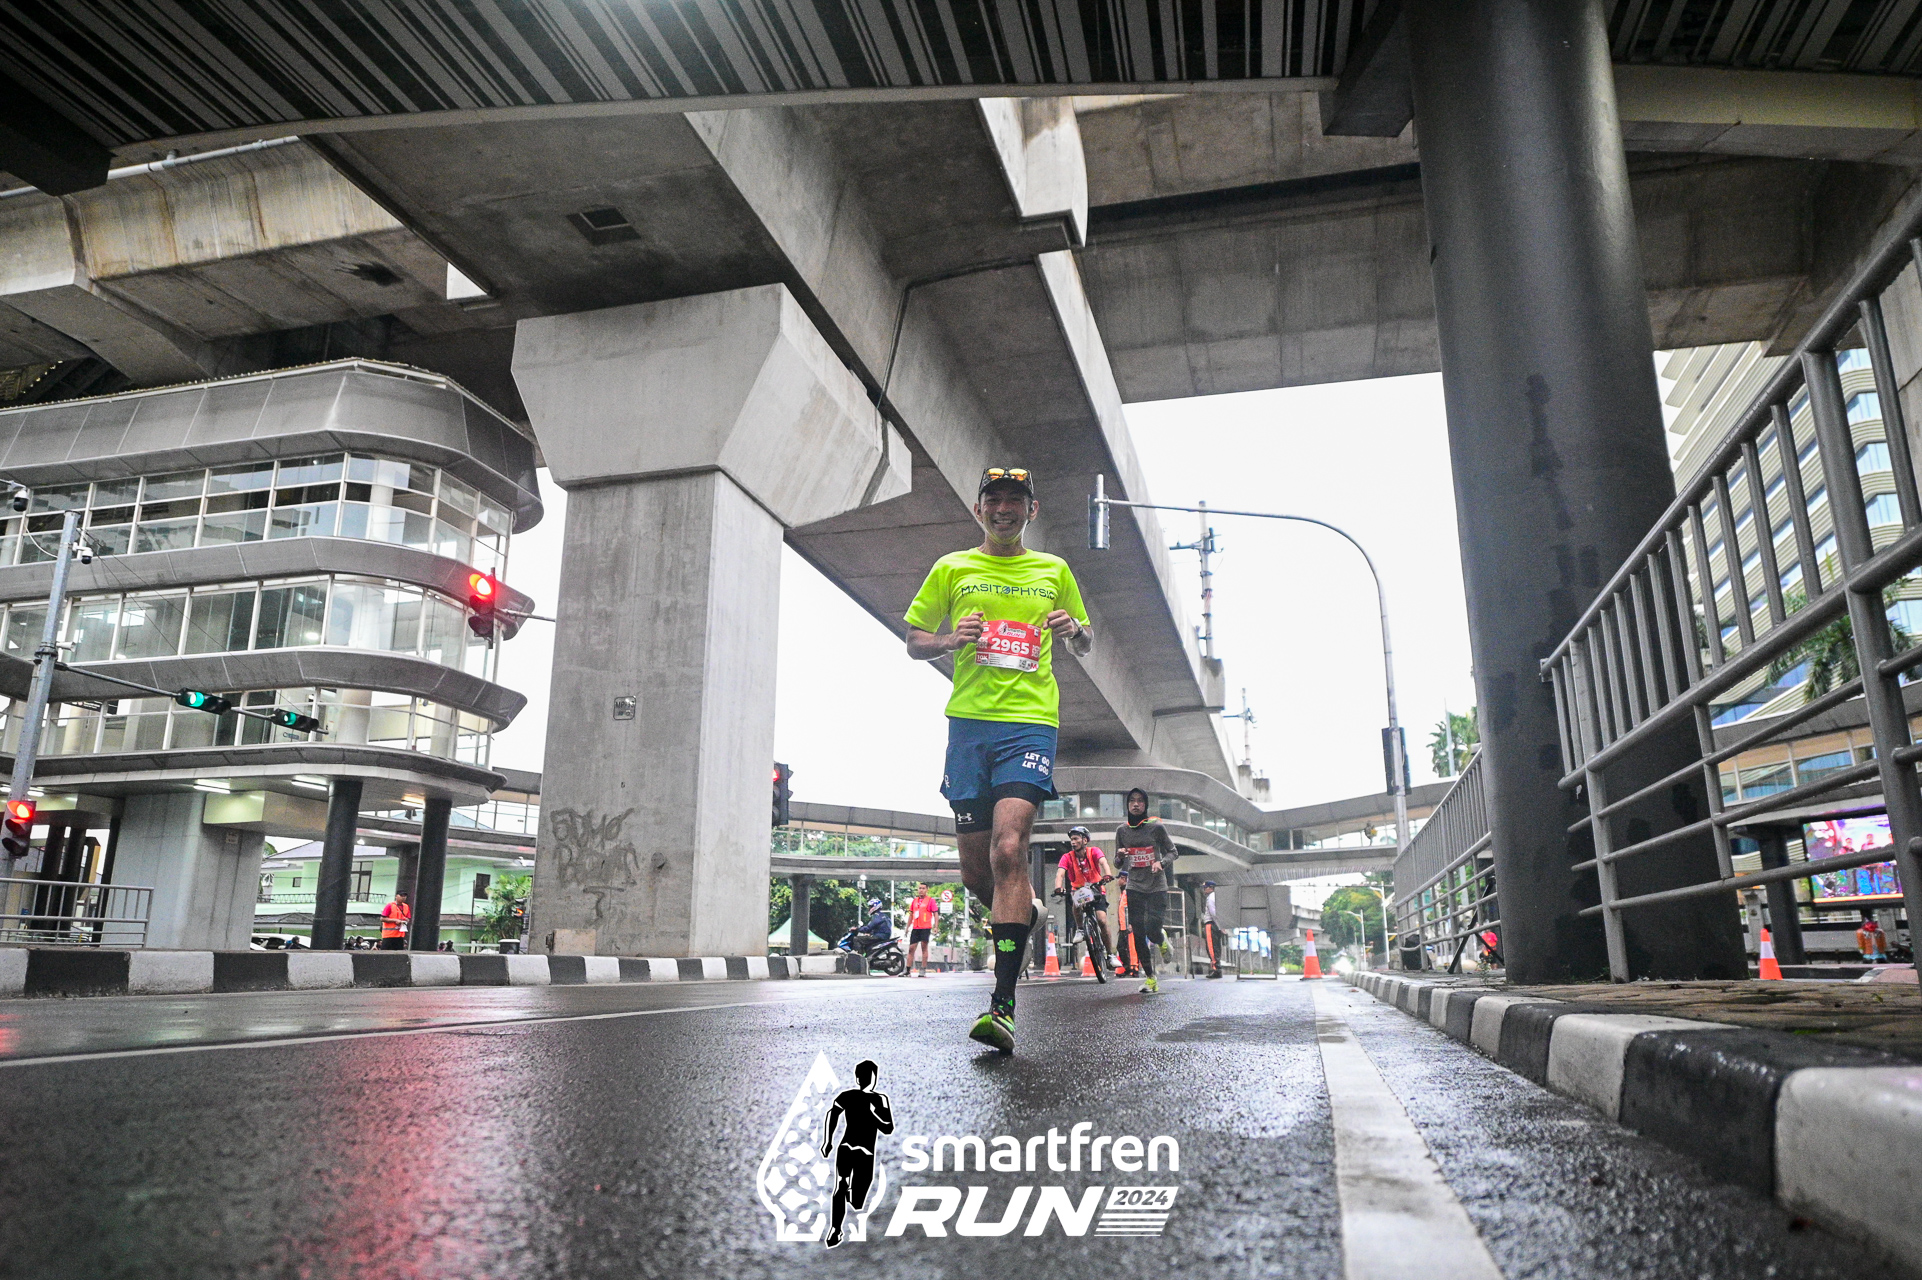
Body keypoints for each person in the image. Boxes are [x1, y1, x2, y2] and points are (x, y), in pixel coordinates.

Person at [904, 466, 1093, 1053]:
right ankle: (1024, 915)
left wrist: (1073, 629)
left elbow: (1086, 639)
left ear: (1031, 511)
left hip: (1030, 724)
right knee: (975, 873)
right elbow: (914, 640)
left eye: (1016, 501)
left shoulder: (1054, 570)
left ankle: (1003, 1005)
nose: (1004, 509)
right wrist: (949, 639)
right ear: (979, 509)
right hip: (968, 728)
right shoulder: (952, 567)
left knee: (1009, 848)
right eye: (995, 500)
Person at [819, 1058, 893, 1249]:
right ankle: (836, 1229)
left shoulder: (879, 1099)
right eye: (866, 1076)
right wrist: (828, 1140)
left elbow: (888, 1128)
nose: (869, 1080)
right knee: (841, 1184)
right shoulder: (850, 1096)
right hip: (851, 1149)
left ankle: (849, 1196)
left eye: (871, 1076)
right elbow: (832, 1114)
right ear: (859, 1078)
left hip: (859, 1152)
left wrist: (871, 1114)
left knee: (857, 1201)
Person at [1114, 788, 1177, 994]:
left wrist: (1161, 863)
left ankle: (1161, 939)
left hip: (1157, 886)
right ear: (1127, 805)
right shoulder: (1122, 831)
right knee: (1138, 933)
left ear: (1146, 805)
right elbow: (1117, 863)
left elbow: (1173, 851)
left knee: (1152, 928)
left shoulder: (1156, 827)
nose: (1136, 804)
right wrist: (1120, 856)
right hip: (1134, 886)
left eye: (1140, 801)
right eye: (1132, 801)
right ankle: (1150, 978)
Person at [1053, 826, 1116, 963]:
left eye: (1076, 839)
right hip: (1079, 890)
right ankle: (1081, 929)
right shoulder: (1067, 857)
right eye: (1071, 839)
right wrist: (1058, 887)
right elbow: (1060, 873)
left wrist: (1107, 874)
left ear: (1085, 840)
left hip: (1096, 889)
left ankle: (1110, 955)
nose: (1073, 842)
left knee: (1102, 920)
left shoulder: (1094, 851)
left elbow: (1103, 862)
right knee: (1076, 900)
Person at [906, 884, 938, 976]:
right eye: (920, 888)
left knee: (924, 948)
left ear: (927, 890)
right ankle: (907, 970)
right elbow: (911, 915)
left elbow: (936, 914)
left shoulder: (930, 900)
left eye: (923, 888)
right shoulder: (915, 901)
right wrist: (907, 927)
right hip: (916, 928)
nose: (921, 890)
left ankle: (923, 969)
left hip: (925, 927)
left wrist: (936, 926)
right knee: (911, 948)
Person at [1199, 879, 1223, 978]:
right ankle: (1216, 968)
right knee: (1216, 947)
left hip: (1211, 924)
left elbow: (1213, 913)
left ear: (1210, 888)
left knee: (1211, 948)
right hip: (1215, 924)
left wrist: (1219, 925)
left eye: (1205, 887)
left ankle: (1216, 969)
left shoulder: (1210, 898)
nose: (1204, 889)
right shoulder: (1216, 897)